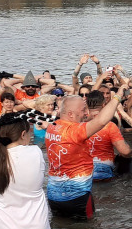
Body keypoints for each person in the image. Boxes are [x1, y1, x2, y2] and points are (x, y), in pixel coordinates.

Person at [45, 90, 125, 218]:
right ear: (71, 114)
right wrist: (117, 96)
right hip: (78, 198)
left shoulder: (52, 127)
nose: (86, 113)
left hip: (53, 198)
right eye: (83, 110)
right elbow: (101, 121)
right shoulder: (75, 131)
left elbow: (87, 119)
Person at [85, 91, 132, 180]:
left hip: (81, 173)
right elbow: (125, 151)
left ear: (87, 106)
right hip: (103, 172)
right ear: (104, 105)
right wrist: (130, 152)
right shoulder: (109, 126)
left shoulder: (78, 124)